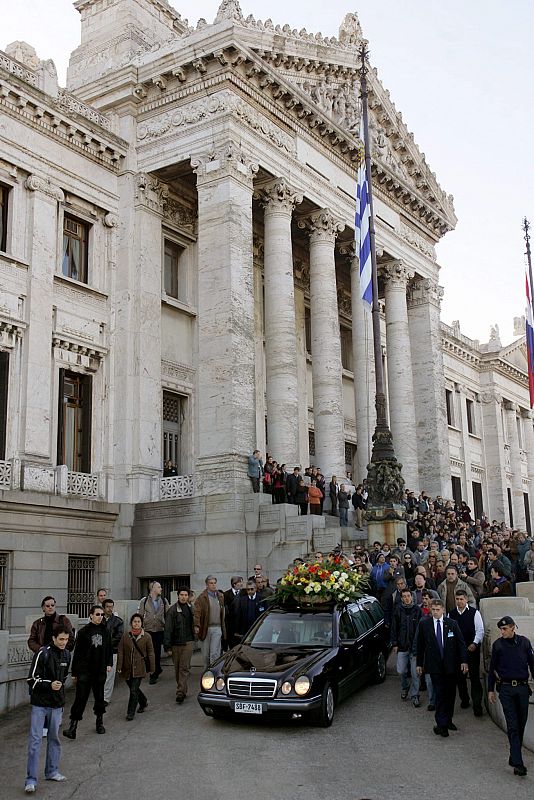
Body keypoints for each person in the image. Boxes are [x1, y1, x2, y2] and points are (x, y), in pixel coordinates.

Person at [24, 626, 71, 794]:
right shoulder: (42, 653)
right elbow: (31, 679)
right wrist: (49, 684)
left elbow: (64, 677)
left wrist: (58, 688)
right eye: (61, 639)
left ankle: (52, 771)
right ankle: (30, 780)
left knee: (54, 739)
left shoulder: (67, 654)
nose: (64, 643)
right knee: (35, 741)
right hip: (40, 703)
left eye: (66, 640)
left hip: (57, 704)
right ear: (54, 638)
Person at [488, 616, 534, 776]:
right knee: (513, 725)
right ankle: (519, 764)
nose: (502, 632)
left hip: (522, 688)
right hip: (506, 689)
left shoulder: (525, 643)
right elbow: (492, 669)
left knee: (521, 724)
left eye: (505, 629)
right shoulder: (498, 645)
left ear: (513, 628)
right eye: (500, 629)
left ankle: (513, 756)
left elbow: (532, 665)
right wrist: (490, 690)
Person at [416, 598, 468, 737]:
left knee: (450, 694)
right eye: (433, 610)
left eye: (438, 610)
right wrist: (419, 664)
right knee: (440, 694)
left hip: (451, 666)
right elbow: (420, 645)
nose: (435, 612)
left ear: (443, 610)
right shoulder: (425, 624)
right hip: (435, 666)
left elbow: (461, 643)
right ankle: (441, 725)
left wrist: (464, 661)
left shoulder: (452, 624)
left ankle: (448, 720)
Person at [63, 606, 113, 740]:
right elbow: (78, 653)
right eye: (97, 614)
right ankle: (73, 727)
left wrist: (109, 663)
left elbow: (109, 649)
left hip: (100, 670)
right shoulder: (84, 632)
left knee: (99, 698)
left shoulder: (106, 631)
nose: (100, 616)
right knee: (80, 698)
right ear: (90, 615)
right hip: (85, 671)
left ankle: (99, 723)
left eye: (102, 614)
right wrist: (74, 672)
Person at [448, 589, 484, 716]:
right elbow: (449, 632)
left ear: (466, 599)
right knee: (460, 678)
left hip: (471, 649)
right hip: (458, 651)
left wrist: (474, 643)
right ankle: (465, 699)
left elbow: (480, 630)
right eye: (457, 599)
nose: (459, 601)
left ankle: (477, 705)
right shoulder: (451, 614)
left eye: (461, 599)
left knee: (474, 677)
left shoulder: (475, 613)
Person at [117, 613, 155, 721]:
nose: (136, 624)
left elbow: (151, 652)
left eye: (138, 622)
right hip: (127, 667)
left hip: (139, 667)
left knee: (133, 690)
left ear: (142, 623)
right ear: (131, 623)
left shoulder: (146, 636)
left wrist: (152, 668)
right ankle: (143, 701)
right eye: (134, 622)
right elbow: (121, 651)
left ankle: (130, 712)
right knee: (134, 688)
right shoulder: (126, 635)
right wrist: (119, 666)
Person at [390, 587, 422, 707]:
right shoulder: (398, 610)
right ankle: (405, 686)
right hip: (402, 646)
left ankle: (415, 695)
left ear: (412, 597)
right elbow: (394, 628)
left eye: (408, 596)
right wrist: (394, 643)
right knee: (401, 670)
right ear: (402, 598)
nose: (406, 598)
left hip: (414, 647)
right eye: (404, 596)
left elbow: (421, 629)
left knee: (415, 673)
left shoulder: (417, 611)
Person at [164, 588, 195, 703]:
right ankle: (183, 689)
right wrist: (167, 646)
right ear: (178, 596)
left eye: (186, 595)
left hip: (189, 642)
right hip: (176, 644)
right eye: (181, 595)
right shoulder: (172, 611)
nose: (183, 597)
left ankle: (180, 692)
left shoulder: (191, 608)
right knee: (177, 669)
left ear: (188, 596)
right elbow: (167, 629)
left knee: (184, 667)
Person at [138, 581, 169, 684]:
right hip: (148, 630)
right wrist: (140, 629)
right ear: (153, 588)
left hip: (159, 630)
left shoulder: (164, 601)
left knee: (156, 652)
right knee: (148, 653)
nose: (161, 589)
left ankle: (154, 673)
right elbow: (140, 615)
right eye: (159, 587)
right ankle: (156, 669)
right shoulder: (144, 601)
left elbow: (167, 616)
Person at [193, 575, 226, 668]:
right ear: (207, 585)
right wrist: (196, 625)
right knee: (205, 655)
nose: (213, 585)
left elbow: (223, 612)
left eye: (215, 583)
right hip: (206, 628)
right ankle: (206, 673)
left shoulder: (220, 596)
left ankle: (213, 673)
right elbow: (197, 612)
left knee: (214, 654)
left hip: (217, 627)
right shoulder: (201, 598)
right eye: (211, 583)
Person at [102, 599, 123, 706]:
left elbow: (119, 636)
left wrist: (106, 644)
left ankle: (106, 698)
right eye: (108, 607)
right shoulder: (99, 619)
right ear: (103, 608)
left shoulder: (118, 621)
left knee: (109, 677)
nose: (110, 609)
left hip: (112, 651)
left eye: (111, 606)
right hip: (99, 652)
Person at [223, 576, 243, 648]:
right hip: (230, 626)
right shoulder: (226, 594)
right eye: (240, 582)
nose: (241, 584)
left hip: (241, 626)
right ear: (234, 584)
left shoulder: (244, 593)